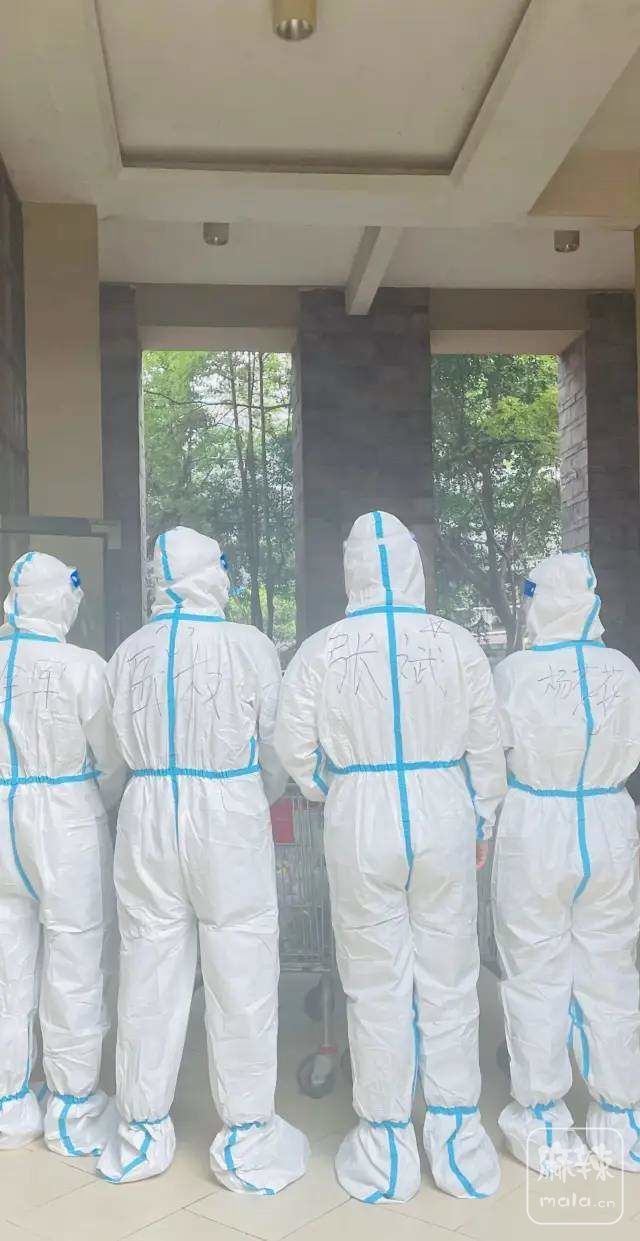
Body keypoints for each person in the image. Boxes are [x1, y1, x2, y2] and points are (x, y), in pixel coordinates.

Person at [275, 511, 506, 1202]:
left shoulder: (322, 648)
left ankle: (385, 1146)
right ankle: (458, 1140)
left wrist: (335, 787)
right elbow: (486, 743)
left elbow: (293, 746)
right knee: (451, 977)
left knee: (373, 982)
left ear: (352, 570)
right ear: (414, 566)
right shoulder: (456, 642)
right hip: (443, 807)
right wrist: (482, 816)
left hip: (361, 813)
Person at [97, 526, 309, 1190]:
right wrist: (253, 791)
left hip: (147, 808)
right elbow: (275, 745)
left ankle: (140, 1131)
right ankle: (247, 1134)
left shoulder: (127, 652)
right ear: (210, 572)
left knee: (147, 964)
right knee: (241, 965)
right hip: (227, 810)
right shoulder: (248, 645)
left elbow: (111, 752)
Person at [493, 552, 640, 1172]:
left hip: (535, 823)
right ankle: (621, 1118)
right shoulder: (624, 670)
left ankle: (543, 1119)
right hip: (608, 820)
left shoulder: (515, 673)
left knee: (534, 972)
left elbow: (491, 754)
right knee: (611, 970)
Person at [0, 550, 124, 1154]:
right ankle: (71, 1110)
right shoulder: (83, 667)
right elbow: (111, 759)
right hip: (66, 817)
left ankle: (9, 1103)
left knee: (6, 966)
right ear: (61, 599)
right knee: (74, 959)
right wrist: (94, 798)